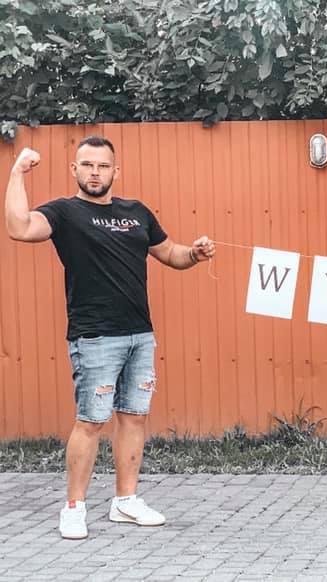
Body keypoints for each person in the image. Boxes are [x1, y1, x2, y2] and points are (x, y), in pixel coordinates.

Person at [4, 136, 216, 539]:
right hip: (95, 337)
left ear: (116, 171)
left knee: (134, 417)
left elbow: (171, 253)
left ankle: (125, 501)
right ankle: (74, 508)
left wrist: (195, 253)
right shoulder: (64, 213)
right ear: (75, 169)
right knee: (91, 421)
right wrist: (17, 172)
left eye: (103, 166)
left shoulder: (137, 213)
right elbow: (19, 228)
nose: (95, 172)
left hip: (140, 335)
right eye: (87, 165)